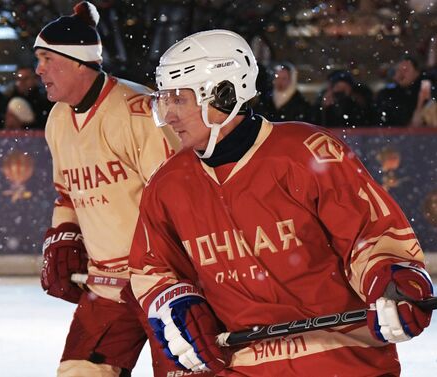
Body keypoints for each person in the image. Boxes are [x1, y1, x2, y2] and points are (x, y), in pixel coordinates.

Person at [128, 29, 434, 376]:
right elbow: (151, 268)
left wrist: (391, 278)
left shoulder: (307, 153)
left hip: (343, 360)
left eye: (179, 100)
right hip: (242, 365)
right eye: (164, 101)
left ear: (225, 95)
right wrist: (174, 301)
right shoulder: (167, 184)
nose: (168, 116)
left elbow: (371, 235)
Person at [33, 2, 183, 377]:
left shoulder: (138, 112)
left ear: (78, 61)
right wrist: (63, 233)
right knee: (79, 372)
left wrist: (155, 270)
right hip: (108, 287)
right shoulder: (58, 119)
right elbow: (67, 191)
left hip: (168, 282)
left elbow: (180, 201)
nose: (38, 70)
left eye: (47, 59)